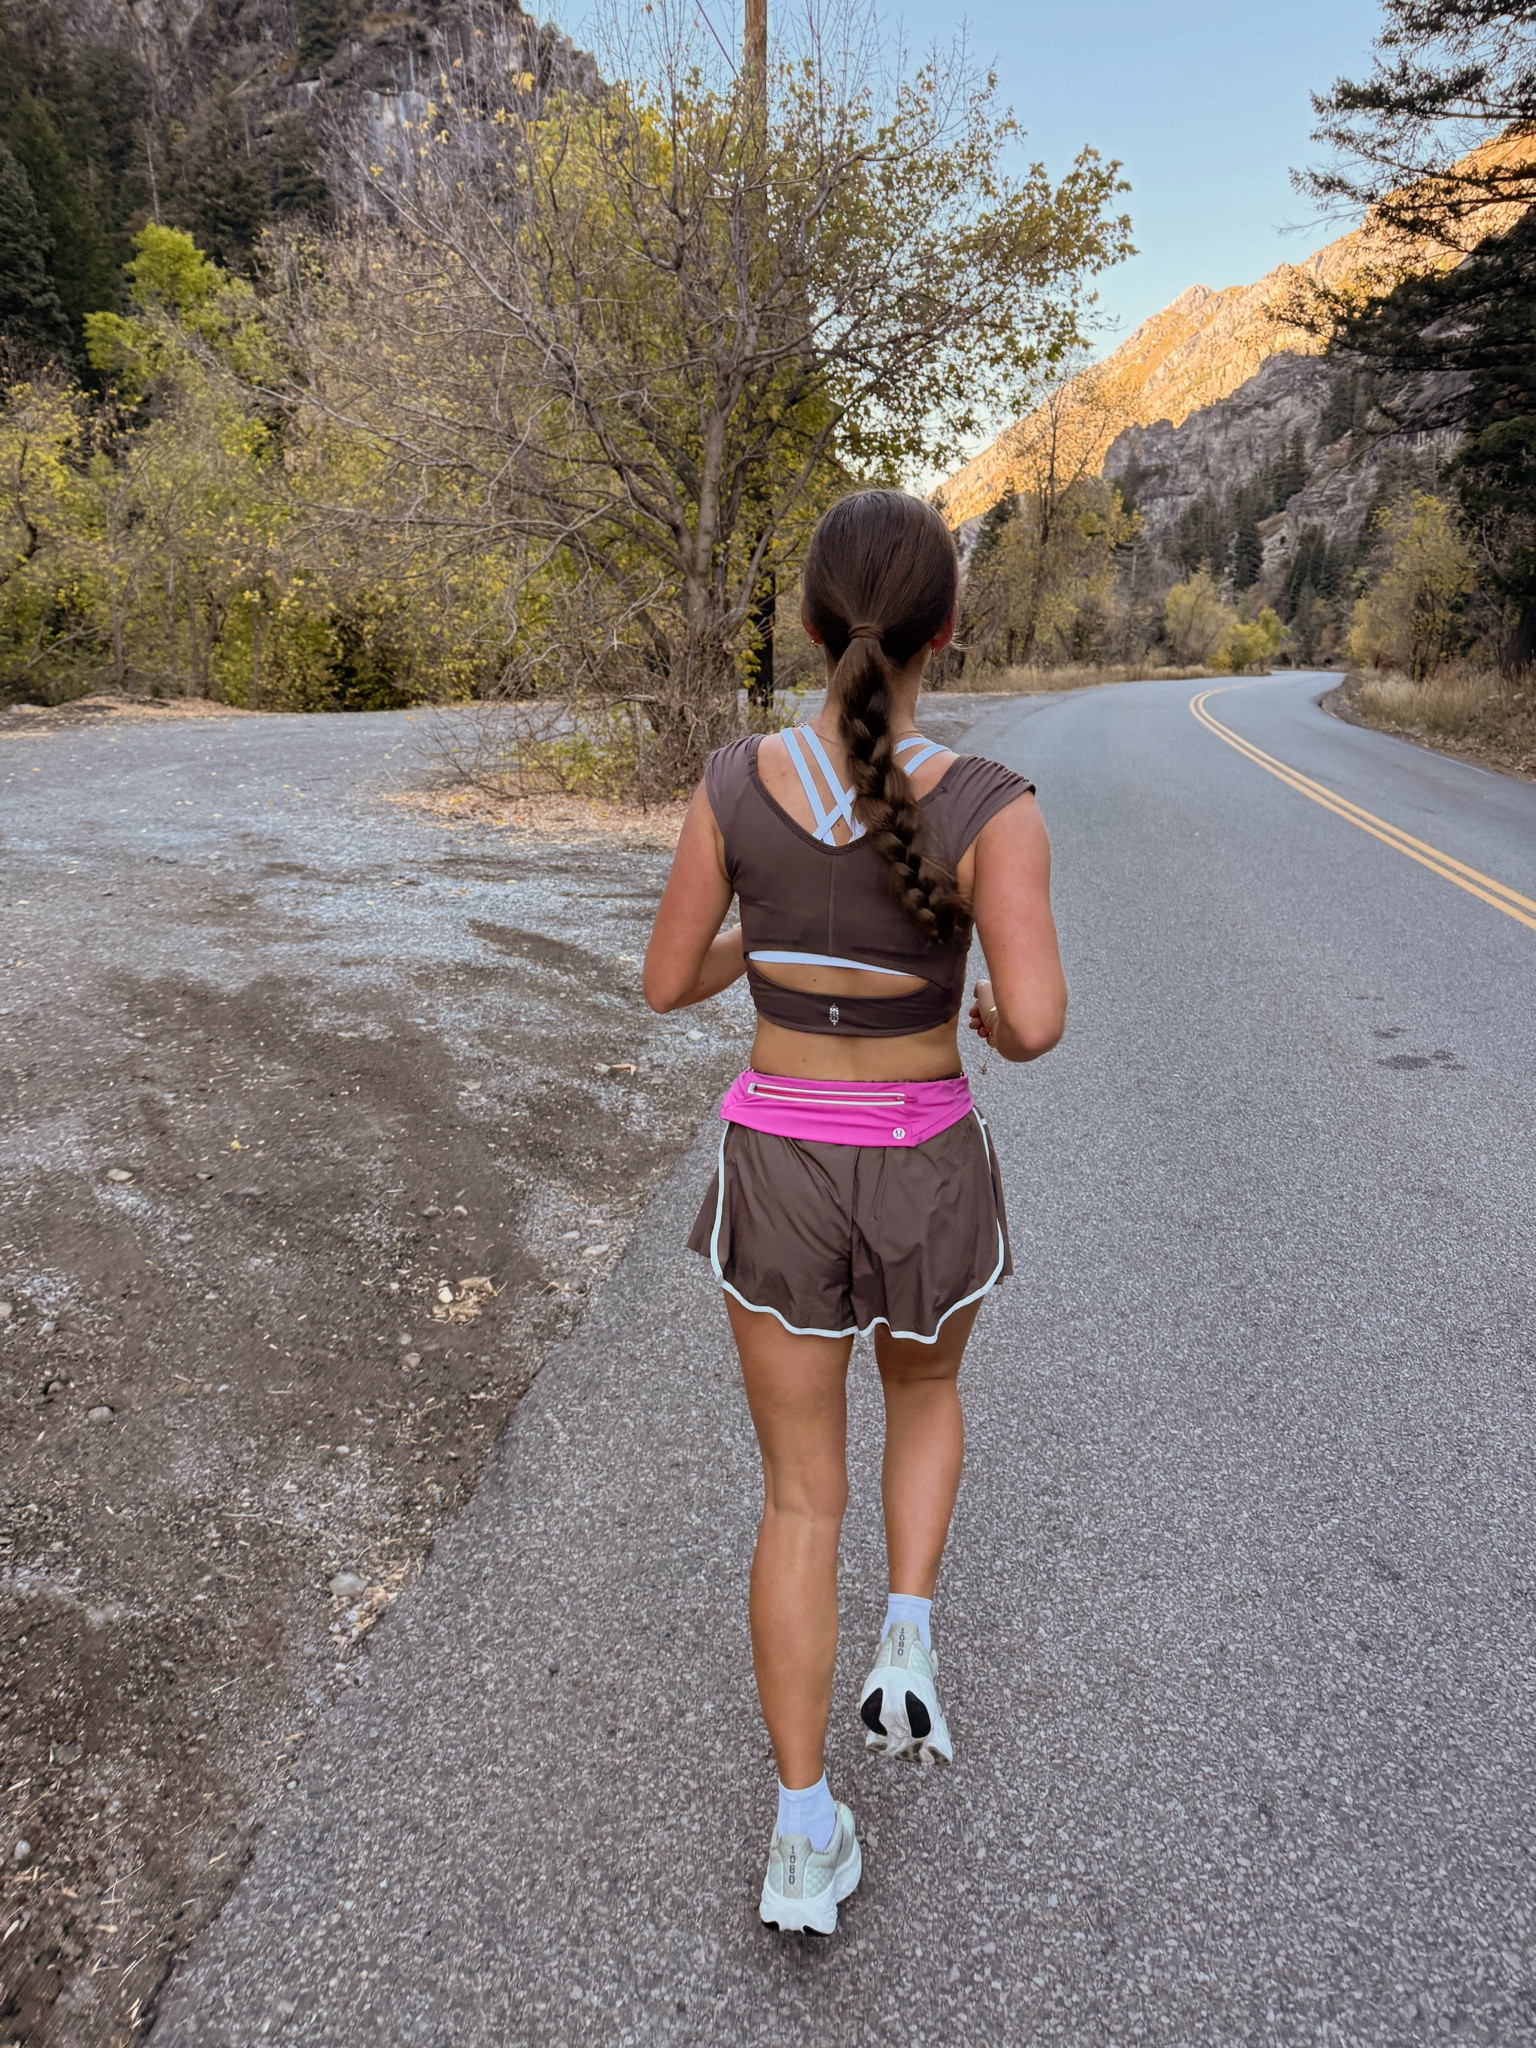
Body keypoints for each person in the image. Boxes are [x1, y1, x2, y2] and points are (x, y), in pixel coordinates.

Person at [643, 488, 1067, 1935]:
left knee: (794, 1496)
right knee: (929, 1390)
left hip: (777, 1169)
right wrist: (989, 1013)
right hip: (926, 1160)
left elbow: (663, 979)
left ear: (814, 623)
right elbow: (1041, 1018)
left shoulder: (728, 784)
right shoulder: (990, 804)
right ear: (949, 630)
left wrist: (770, 934)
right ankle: (909, 1638)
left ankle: (805, 1832)